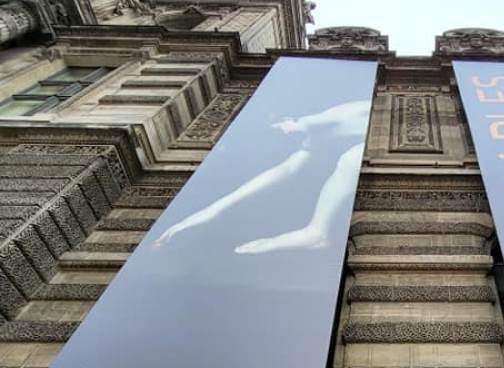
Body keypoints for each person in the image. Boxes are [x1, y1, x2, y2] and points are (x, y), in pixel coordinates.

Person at [154, 98, 371, 254]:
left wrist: (299, 123)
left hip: (380, 148)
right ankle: (315, 232)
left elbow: (309, 122)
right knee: (349, 159)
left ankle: (316, 232)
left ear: (289, 118)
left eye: (279, 125)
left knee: (350, 159)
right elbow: (282, 172)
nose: (282, 131)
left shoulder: (330, 117)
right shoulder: (312, 139)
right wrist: (212, 210)